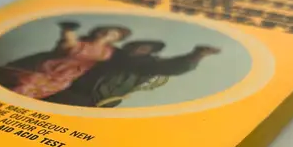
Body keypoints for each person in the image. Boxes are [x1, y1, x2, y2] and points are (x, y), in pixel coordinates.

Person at [43, 41, 221, 108]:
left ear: (150, 53)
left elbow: (172, 67)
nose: (139, 50)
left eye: (145, 49)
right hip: (60, 89)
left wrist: (196, 55)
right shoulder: (112, 53)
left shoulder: (146, 65)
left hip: (90, 101)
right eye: (137, 46)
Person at [0, 21, 131, 100]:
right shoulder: (83, 40)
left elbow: (75, 50)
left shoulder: (107, 51)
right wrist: (68, 35)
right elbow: (65, 48)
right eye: (107, 30)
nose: (107, 34)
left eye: (113, 35)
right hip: (44, 65)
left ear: (115, 40)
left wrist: (69, 33)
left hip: (60, 76)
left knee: (26, 86)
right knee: (6, 78)